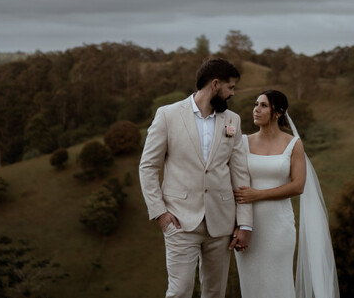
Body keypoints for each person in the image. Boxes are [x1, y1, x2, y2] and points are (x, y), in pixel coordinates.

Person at [139, 58, 253, 298]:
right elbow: (148, 166)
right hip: (179, 221)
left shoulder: (233, 120)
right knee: (179, 292)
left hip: (221, 223)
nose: (232, 93)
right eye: (230, 87)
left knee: (214, 293)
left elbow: (240, 174)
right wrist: (160, 212)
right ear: (215, 85)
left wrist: (244, 223)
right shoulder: (167, 115)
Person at [234, 90, 339, 298]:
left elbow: (298, 186)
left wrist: (258, 195)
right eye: (256, 104)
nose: (256, 109)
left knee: (278, 285)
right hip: (248, 227)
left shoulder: (293, 144)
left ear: (278, 112)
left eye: (263, 105)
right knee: (251, 287)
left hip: (278, 228)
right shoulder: (243, 142)